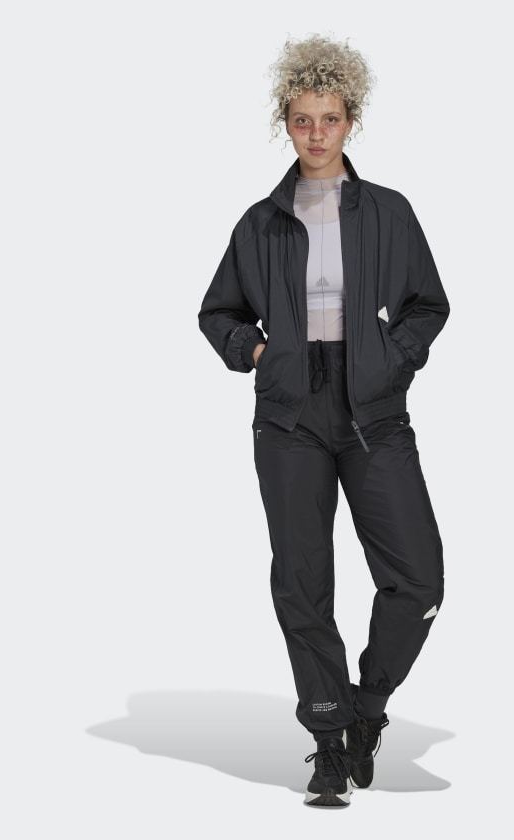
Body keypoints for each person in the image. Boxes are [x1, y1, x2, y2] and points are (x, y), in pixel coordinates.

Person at [198, 34, 449, 807]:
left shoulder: (388, 213)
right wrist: (255, 351)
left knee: (419, 578)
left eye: (329, 118)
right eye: (302, 119)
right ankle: (329, 739)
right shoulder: (261, 223)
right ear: (286, 121)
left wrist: (394, 356)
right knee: (302, 581)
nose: (315, 133)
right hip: (290, 415)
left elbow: (428, 304)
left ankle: (367, 706)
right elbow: (218, 312)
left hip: (375, 409)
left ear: (350, 120)